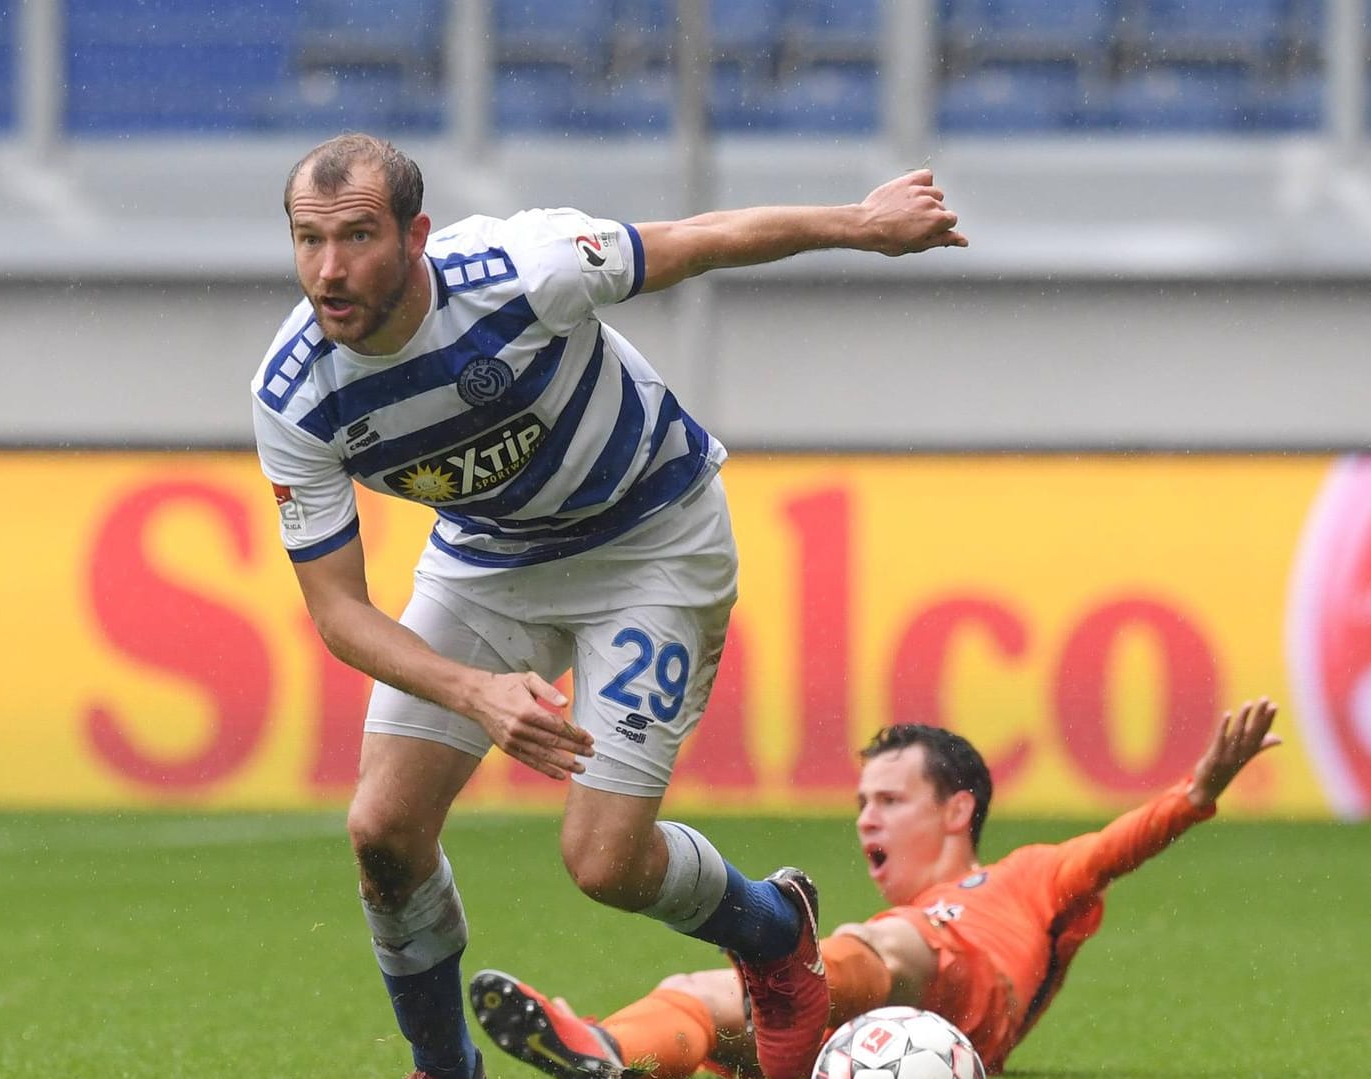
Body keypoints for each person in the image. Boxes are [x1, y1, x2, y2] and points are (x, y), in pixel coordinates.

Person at [249, 132, 967, 1079]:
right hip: (490, 562)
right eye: (308, 240)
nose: (329, 270)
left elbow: (702, 237)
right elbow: (339, 610)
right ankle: (444, 1067)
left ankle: (773, 933)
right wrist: (476, 691)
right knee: (381, 830)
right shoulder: (296, 396)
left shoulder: (522, 268)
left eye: (357, 237)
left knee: (603, 862)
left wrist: (862, 225)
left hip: (651, 542)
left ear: (416, 236)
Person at [469, 697, 1282, 1078]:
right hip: (860, 1030)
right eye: (861, 803)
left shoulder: (1022, 875)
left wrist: (1197, 791)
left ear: (958, 807)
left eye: (889, 801)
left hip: (960, 985)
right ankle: (608, 1051)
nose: (866, 821)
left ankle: (790, 953)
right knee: (706, 1021)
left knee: (888, 942)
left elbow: (1112, 848)